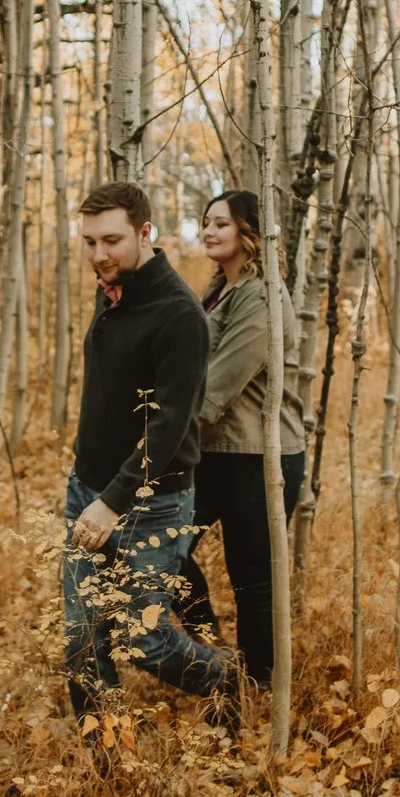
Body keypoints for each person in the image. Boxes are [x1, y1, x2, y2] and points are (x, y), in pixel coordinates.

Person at [61, 180, 244, 733]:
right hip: (86, 491)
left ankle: (226, 680)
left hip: (152, 504)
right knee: (81, 641)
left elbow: (170, 426)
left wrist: (111, 503)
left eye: (112, 240)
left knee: (142, 641)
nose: (99, 255)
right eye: (89, 241)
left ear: (146, 233)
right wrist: (87, 486)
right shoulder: (110, 288)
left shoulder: (178, 313)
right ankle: (107, 770)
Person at [176, 190, 305, 691]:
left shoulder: (262, 295)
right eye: (205, 222)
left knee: (253, 582)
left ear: (248, 234)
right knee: (165, 552)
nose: (208, 232)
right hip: (211, 453)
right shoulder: (219, 288)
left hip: (259, 456)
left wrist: (159, 436)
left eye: (220, 225)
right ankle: (210, 649)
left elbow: (220, 382)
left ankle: (258, 687)